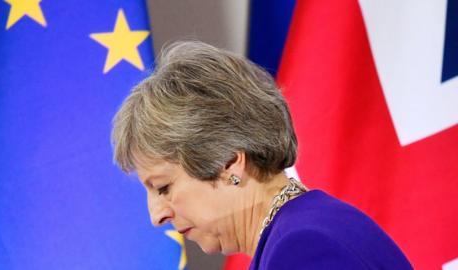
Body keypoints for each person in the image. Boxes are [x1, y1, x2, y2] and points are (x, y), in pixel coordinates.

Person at [111, 41, 413, 269]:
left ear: (229, 162)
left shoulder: (302, 250)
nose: (156, 215)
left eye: (164, 187)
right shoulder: (306, 228)